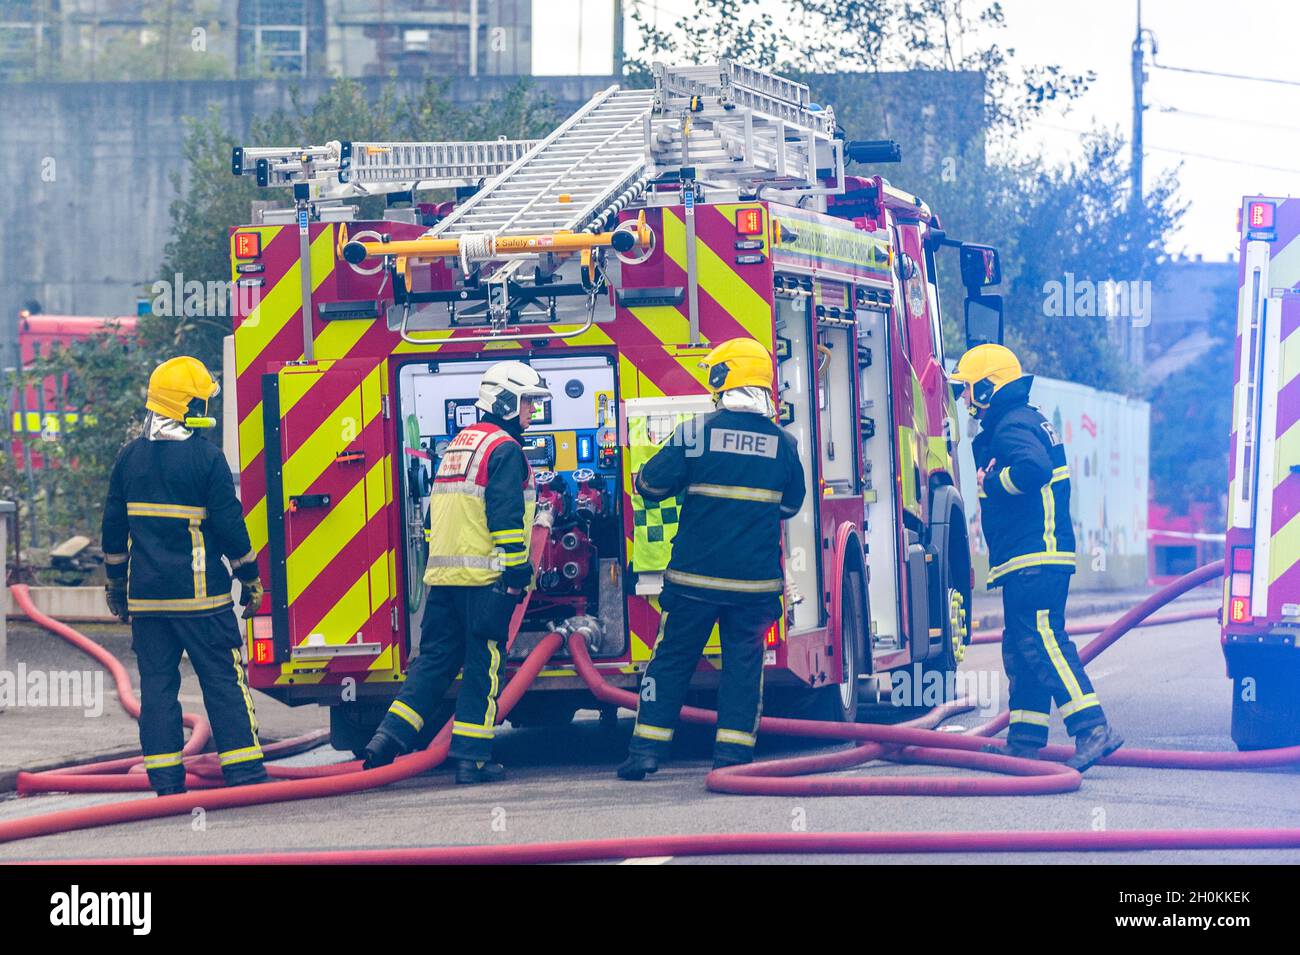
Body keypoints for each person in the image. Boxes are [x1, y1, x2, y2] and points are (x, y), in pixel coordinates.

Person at [618, 338, 806, 780]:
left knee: (671, 661)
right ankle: (733, 757)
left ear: (724, 379)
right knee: (743, 667)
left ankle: (645, 752)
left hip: (693, 582)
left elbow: (650, 484)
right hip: (753, 588)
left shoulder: (695, 432)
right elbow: (790, 505)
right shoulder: (783, 443)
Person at [362, 361, 549, 783]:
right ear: (504, 402)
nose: (531, 413)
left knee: (433, 665)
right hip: (485, 582)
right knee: (484, 667)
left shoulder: (460, 444)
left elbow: (441, 514)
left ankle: (385, 742)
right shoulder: (505, 449)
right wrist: (517, 565)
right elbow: (502, 512)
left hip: (443, 582)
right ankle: (472, 758)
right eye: (527, 403)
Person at [950, 343, 1123, 771]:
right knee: (1023, 646)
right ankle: (1025, 739)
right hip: (1028, 559)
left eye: (969, 391)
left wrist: (993, 482)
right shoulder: (1026, 419)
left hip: (1035, 557)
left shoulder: (1010, 426)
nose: (966, 401)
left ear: (989, 389)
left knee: (1044, 641)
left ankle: (1093, 728)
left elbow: (1033, 470)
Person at [101, 356, 266, 796]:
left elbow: (112, 532)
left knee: (156, 691)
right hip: (202, 603)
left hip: (148, 604)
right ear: (185, 405)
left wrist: (117, 589)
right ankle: (246, 776)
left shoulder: (128, 460)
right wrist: (249, 578)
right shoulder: (206, 459)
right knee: (223, 683)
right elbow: (232, 527)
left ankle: (167, 783)